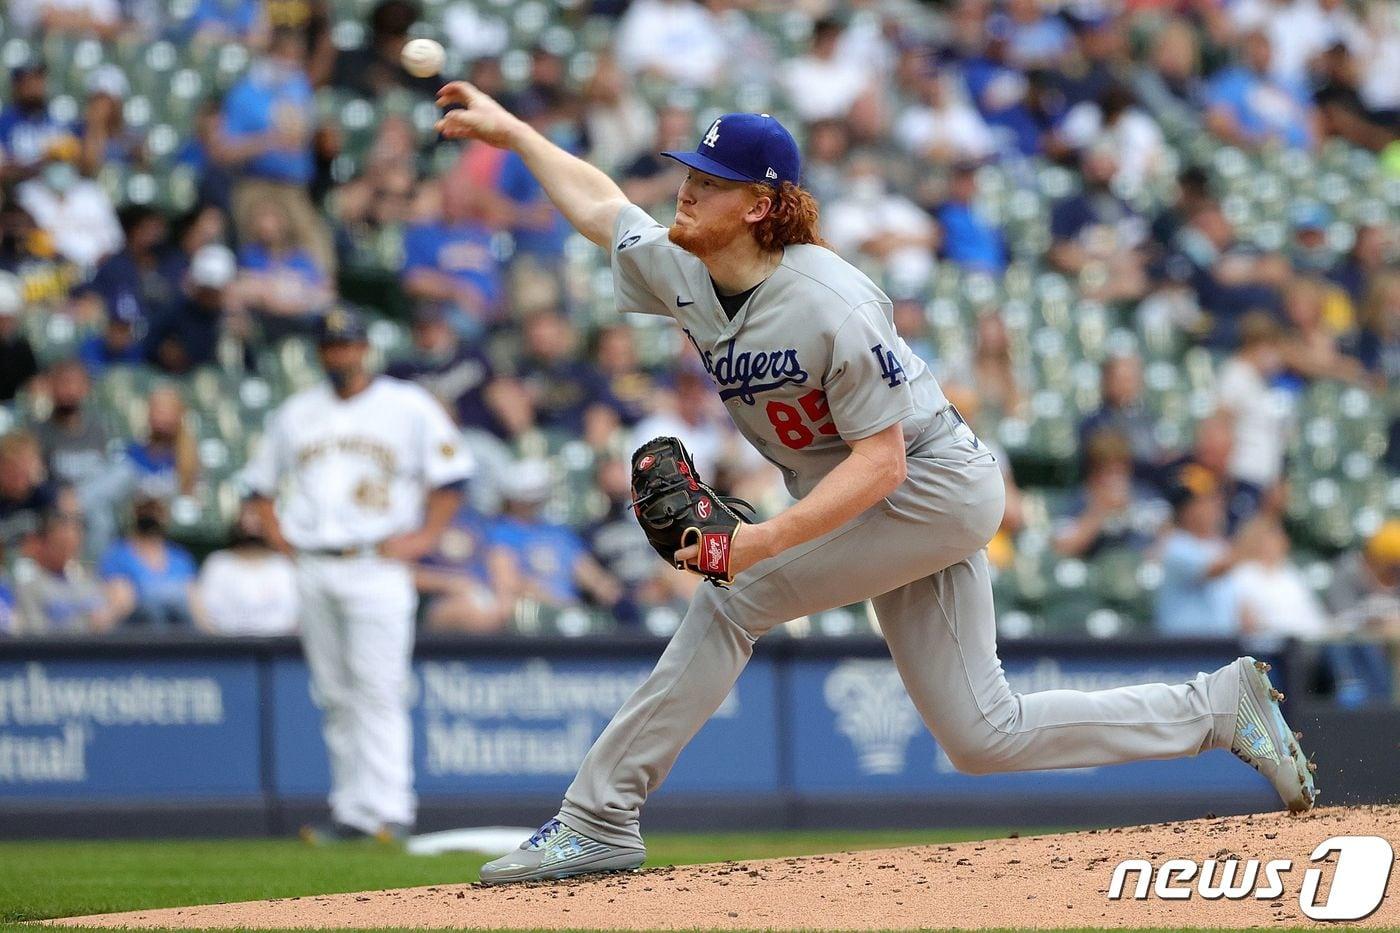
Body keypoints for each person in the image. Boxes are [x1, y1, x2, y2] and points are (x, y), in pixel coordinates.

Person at [434, 86, 1317, 883]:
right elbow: (603, 208)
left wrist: (756, 544)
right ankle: (1219, 706)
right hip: (879, 500)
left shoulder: (832, 300)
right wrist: (515, 133)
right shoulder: (682, 264)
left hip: (931, 484)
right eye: (689, 173)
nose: (686, 190)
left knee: (734, 597)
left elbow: (882, 461)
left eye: (710, 180)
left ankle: (598, 818)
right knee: (983, 734)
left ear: (761, 204)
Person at [240, 306, 473, 845]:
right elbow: (259, 486)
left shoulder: (406, 405)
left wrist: (424, 538)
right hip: (315, 562)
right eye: (330, 345)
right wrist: (280, 537)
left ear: (365, 348)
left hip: (377, 562)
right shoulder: (296, 412)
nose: (339, 353)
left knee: (379, 689)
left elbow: (453, 477)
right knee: (334, 694)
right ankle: (351, 812)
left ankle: (391, 810)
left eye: (347, 344)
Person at [97, 491, 199, 630]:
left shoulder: (181, 558)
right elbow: (118, 603)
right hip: (139, 635)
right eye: (146, 508)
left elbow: (196, 608)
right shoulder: (117, 556)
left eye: (156, 508)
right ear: (135, 511)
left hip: (179, 636)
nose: (151, 515)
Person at [195, 502, 299, 636]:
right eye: (247, 516)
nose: (252, 522)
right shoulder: (218, 564)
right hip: (227, 643)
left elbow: (294, 614)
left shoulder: (283, 566)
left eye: (258, 517)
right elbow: (206, 613)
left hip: (278, 643)